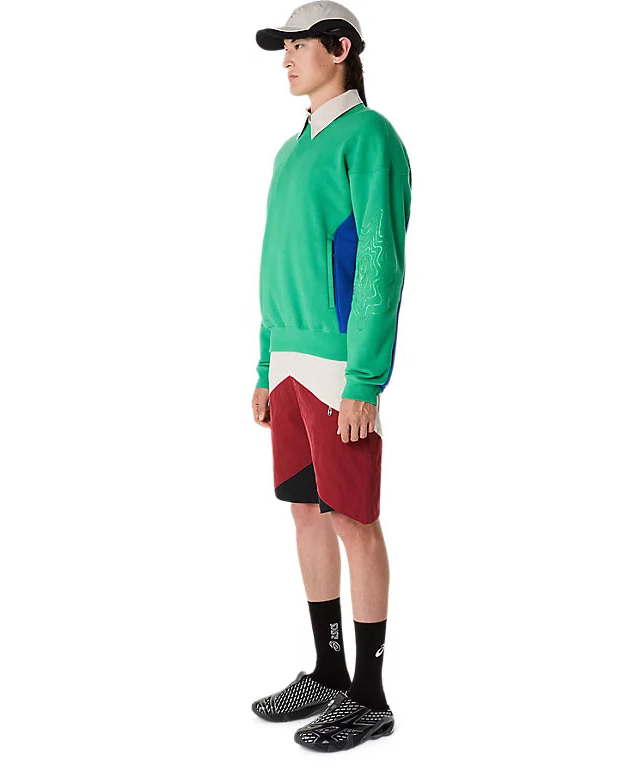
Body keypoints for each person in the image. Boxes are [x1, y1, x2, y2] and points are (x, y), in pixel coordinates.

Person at [248, 1, 412, 753]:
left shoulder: (370, 137)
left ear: (340, 49)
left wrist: (365, 380)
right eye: (281, 46)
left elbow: (379, 262)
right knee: (307, 514)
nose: (285, 58)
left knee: (354, 518)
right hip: (288, 363)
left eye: (298, 44)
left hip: (340, 365)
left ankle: (370, 698)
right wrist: (264, 362)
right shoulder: (290, 151)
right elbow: (274, 263)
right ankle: (327, 671)